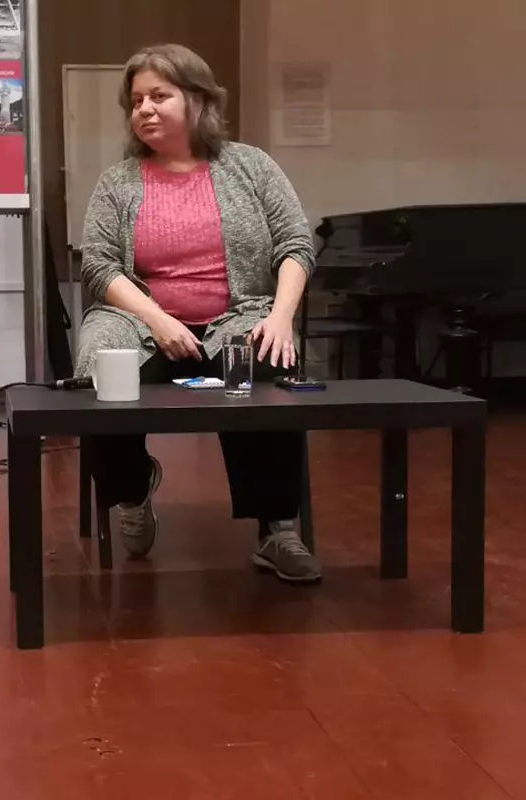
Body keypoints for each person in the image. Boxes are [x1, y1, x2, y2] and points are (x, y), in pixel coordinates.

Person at [76, 43, 321, 583]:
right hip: (139, 320)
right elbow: (97, 265)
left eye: (159, 96)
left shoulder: (251, 166)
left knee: (267, 367)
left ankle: (275, 527)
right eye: (136, 100)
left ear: (199, 100)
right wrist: (158, 319)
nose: (144, 108)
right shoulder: (118, 183)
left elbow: (295, 244)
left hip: (237, 314)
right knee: (103, 372)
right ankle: (132, 491)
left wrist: (280, 317)